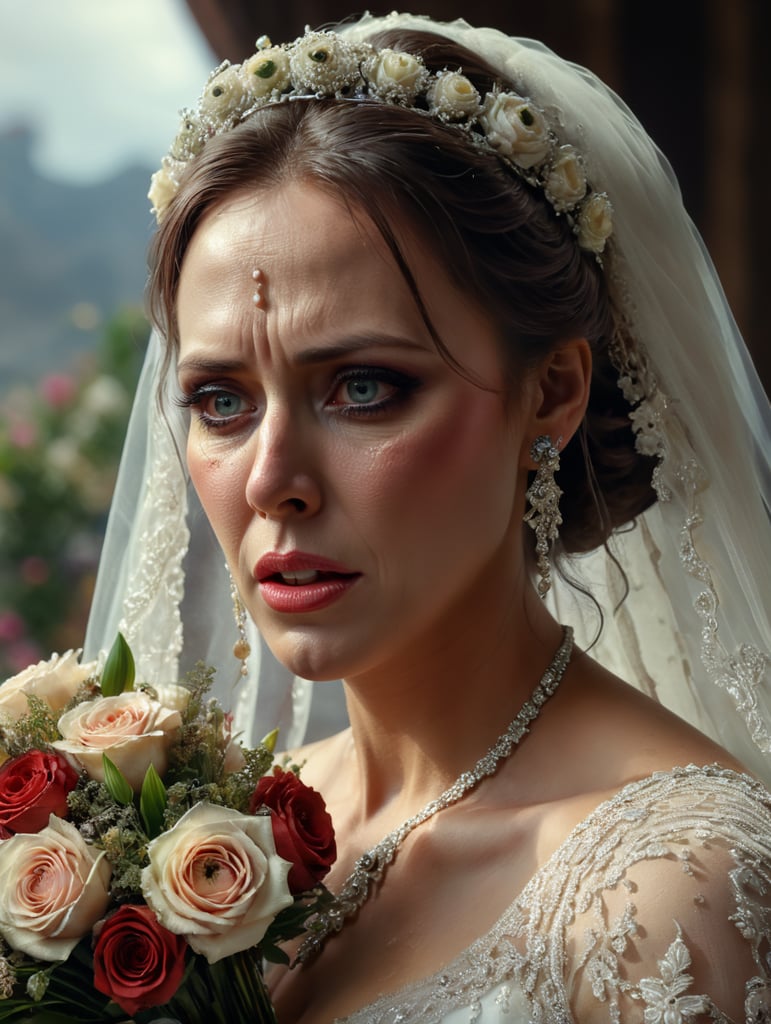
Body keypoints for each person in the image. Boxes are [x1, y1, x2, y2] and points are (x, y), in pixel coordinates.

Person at [85, 12, 771, 1021]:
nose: (274, 479)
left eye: (364, 387)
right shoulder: (207, 840)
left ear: (551, 393)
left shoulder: (675, 893)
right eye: (222, 401)